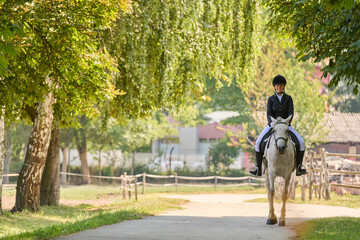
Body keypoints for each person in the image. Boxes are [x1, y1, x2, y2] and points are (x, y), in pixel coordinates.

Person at [249, 75, 307, 177]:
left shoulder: (288, 98)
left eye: (281, 85)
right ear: (274, 87)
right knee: (258, 143)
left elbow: (291, 113)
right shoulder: (271, 99)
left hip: (285, 125)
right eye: (277, 85)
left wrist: (286, 123)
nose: (279, 87)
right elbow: (269, 113)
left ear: (284, 86)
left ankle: (299, 167)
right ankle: (258, 168)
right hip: (272, 125)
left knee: (301, 142)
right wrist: (272, 123)